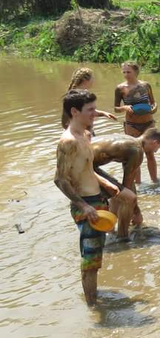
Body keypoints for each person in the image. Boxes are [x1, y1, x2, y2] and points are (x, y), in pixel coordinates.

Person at [54, 90, 118, 305]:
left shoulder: (85, 135)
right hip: (86, 204)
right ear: (74, 111)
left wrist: (106, 183)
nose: (94, 113)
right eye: (90, 110)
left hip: (96, 199)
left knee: (97, 255)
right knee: (90, 260)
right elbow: (60, 180)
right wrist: (82, 206)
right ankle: (93, 308)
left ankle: (94, 298)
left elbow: (86, 170)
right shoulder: (68, 142)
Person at [91, 129, 160, 238]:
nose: (156, 151)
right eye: (158, 148)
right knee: (127, 198)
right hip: (84, 166)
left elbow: (128, 184)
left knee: (118, 192)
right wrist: (137, 212)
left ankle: (110, 229)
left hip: (81, 161)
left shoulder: (129, 141)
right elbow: (127, 189)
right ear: (155, 142)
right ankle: (122, 237)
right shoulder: (137, 150)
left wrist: (136, 210)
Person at [114, 62, 159, 183]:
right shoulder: (120, 88)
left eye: (129, 72)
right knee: (135, 155)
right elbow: (116, 108)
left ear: (136, 72)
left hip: (148, 123)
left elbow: (153, 102)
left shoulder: (145, 86)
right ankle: (138, 183)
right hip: (131, 125)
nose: (126, 74)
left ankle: (155, 181)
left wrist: (154, 108)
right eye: (124, 72)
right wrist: (124, 108)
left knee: (150, 153)